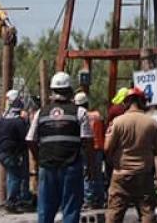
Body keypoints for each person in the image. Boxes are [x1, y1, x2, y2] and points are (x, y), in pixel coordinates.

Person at [26, 71, 92, 223]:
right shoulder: (80, 112)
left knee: (45, 209)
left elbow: (30, 139)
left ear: (52, 91)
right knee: (70, 207)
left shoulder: (40, 113)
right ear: (70, 91)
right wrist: (90, 166)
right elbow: (87, 141)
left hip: (47, 166)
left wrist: (39, 159)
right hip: (71, 166)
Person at [104, 88, 157, 223]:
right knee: (147, 212)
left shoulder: (118, 122)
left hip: (121, 175)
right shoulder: (153, 124)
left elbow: (107, 147)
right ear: (142, 102)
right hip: (144, 174)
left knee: (114, 213)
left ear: (126, 103)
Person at [0, 91, 32, 212]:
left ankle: (18, 198)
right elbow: (25, 138)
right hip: (13, 154)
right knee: (15, 177)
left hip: (2, 153)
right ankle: (12, 202)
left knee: (12, 175)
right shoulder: (18, 122)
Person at [76, 91, 106, 209]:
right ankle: (100, 199)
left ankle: (89, 200)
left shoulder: (81, 116)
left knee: (86, 174)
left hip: (86, 148)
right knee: (97, 174)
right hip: (98, 148)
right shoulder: (97, 115)